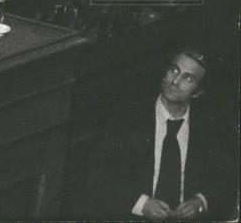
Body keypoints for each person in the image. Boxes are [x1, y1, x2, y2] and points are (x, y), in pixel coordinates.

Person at [87, 47, 238, 221]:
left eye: (188, 78)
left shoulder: (210, 125)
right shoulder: (129, 117)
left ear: (198, 91)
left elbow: (226, 180)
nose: (175, 81)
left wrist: (200, 202)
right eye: (174, 70)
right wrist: (142, 205)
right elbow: (98, 177)